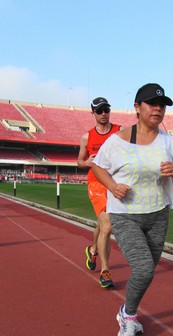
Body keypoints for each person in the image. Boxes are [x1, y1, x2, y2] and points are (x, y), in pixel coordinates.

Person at [92, 83, 173, 336]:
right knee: (144, 269)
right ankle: (128, 317)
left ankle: (127, 310)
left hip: (158, 215)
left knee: (148, 272)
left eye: (162, 105)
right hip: (125, 215)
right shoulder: (117, 141)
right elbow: (97, 168)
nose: (157, 109)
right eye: (151, 104)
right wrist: (113, 186)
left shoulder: (171, 143)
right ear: (137, 108)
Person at [77, 97, 122, 288]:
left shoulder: (120, 131)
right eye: (100, 111)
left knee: (102, 224)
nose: (104, 114)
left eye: (106, 110)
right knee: (108, 225)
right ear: (93, 113)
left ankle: (93, 249)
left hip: (115, 183)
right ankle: (105, 271)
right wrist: (86, 163)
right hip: (96, 184)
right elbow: (80, 161)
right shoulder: (87, 137)